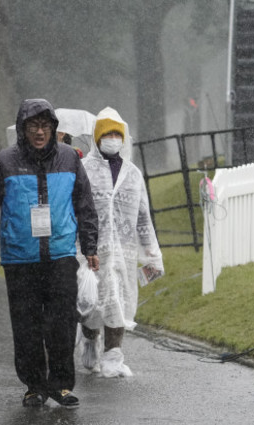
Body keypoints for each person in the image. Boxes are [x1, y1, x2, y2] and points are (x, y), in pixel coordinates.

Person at [0, 99, 99, 408]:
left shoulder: (69, 158)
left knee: (62, 324)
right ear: (22, 129)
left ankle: (61, 385)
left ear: (54, 128)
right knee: (27, 326)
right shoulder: (5, 161)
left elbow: (84, 204)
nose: (40, 132)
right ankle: (34, 386)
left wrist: (91, 245)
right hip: (20, 259)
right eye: (33, 126)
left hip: (60, 257)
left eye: (45, 126)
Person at [79, 106, 164, 377]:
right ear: (97, 137)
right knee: (91, 303)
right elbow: (73, 210)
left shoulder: (133, 173)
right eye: (107, 133)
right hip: (90, 251)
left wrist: (151, 251)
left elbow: (142, 216)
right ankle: (90, 339)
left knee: (118, 301)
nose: (113, 138)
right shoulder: (83, 170)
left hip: (123, 252)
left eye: (117, 133)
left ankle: (113, 356)